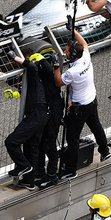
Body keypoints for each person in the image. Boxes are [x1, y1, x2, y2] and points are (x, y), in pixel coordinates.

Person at [54, 28, 111, 180]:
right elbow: (84, 43)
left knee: (72, 138)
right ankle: (104, 151)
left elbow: (59, 82)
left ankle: (70, 170)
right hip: (91, 100)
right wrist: (73, 32)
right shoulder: (85, 56)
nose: (65, 53)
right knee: (96, 126)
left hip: (80, 107)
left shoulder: (72, 72)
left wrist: (55, 68)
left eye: (66, 51)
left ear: (72, 54)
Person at [2, 50, 49, 190]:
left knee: (11, 142)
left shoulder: (34, 74)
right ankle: (29, 181)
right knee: (31, 148)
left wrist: (14, 57)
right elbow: (7, 79)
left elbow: (32, 67)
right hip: (38, 115)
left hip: (37, 114)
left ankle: (24, 166)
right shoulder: (26, 80)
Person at [33, 53, 64, 190]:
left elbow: (46, 68)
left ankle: (52, 175)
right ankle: (40, 171)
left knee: (49, 141)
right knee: (41, 141)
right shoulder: (42, 75)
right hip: (48, 109)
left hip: (54, 109)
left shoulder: (47, 73)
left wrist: (39, 59)